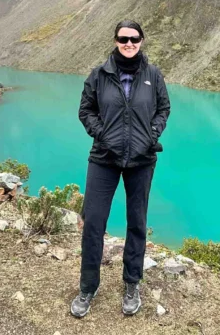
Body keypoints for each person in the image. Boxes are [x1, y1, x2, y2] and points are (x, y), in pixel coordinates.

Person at [70, 20, 170, 318]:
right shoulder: (99, 75)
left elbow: (164, 108)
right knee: (93, 223)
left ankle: (131, 283)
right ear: (115, 40)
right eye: (123, 38)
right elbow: (85, 110)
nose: (129, 43)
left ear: (142, 40)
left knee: (137, 223)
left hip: (142, 160)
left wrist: (151, 134)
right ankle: (88, 286)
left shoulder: (153, 75)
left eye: (134, 38)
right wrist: (102, 134)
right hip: (104, 158)